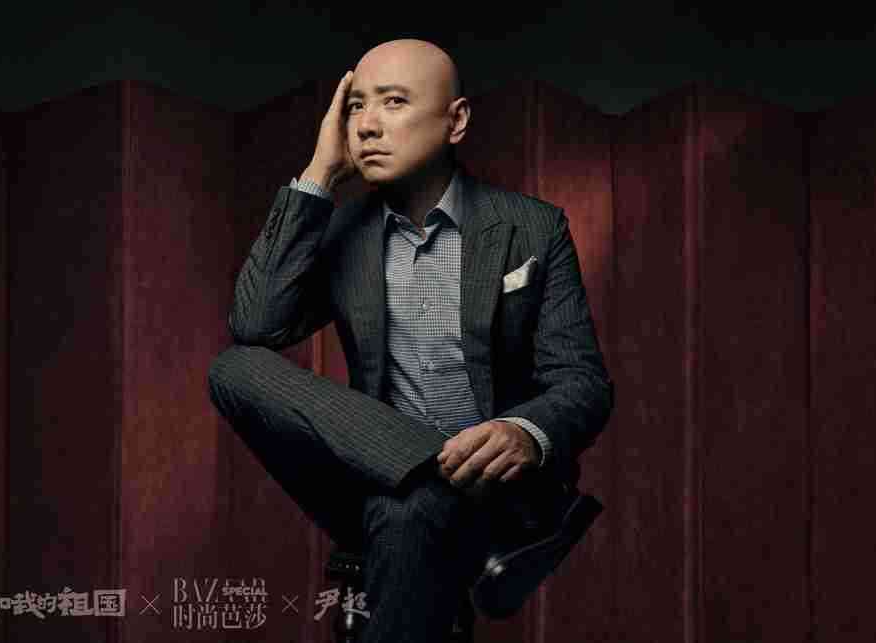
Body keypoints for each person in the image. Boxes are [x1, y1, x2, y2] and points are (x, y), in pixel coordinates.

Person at [208, 38, 614, 643]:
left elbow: (581, 382)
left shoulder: (532, 227)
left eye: (393, 102)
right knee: (234, 368)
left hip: (489, 488)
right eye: (356, 106)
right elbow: (256, 324)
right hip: (377, 473)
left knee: (405, 511)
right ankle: (428, 471)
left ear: (457, 121)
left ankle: (433, 483)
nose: (367, 125)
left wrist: (525, 432)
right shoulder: (344, 232)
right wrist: (320, 174)